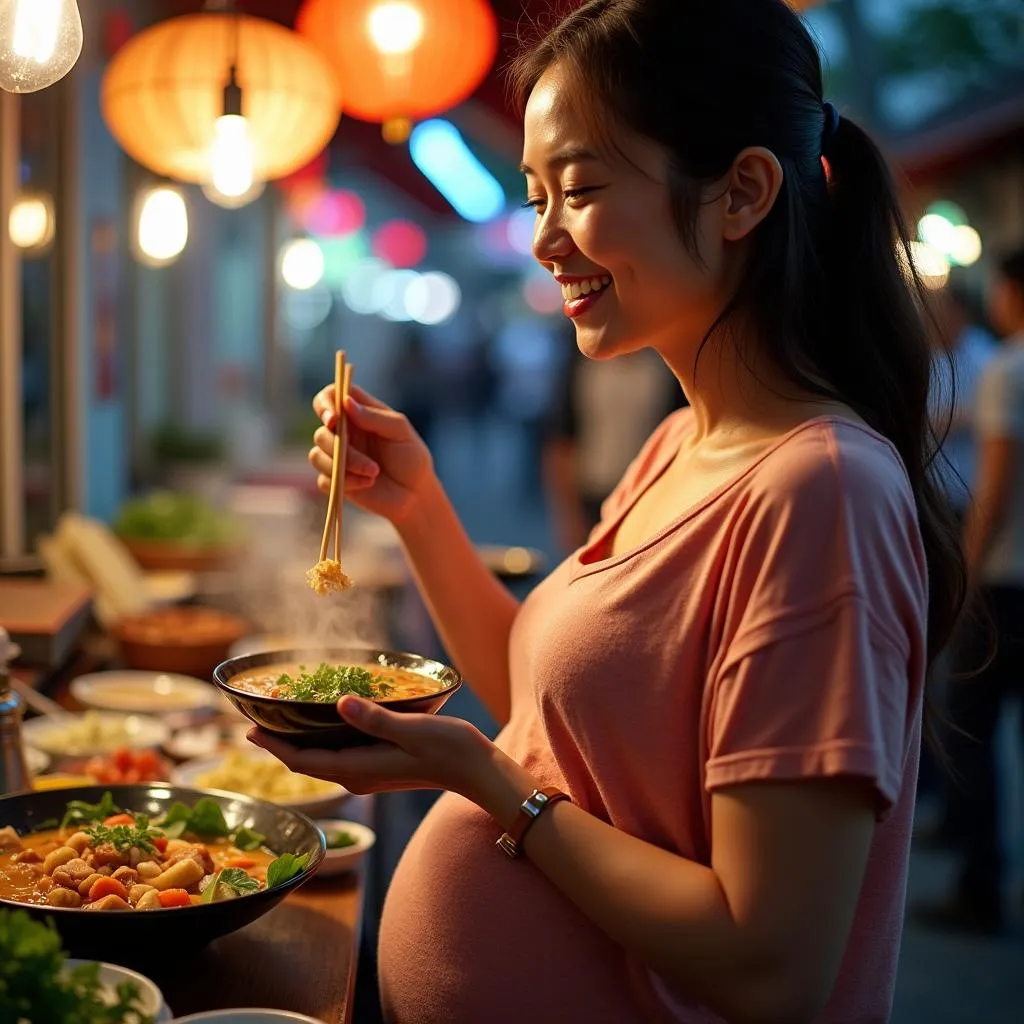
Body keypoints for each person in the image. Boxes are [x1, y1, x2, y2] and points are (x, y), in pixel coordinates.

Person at [251, 1, 964, 1020]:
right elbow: (555, 719)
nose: (544, 239)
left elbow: (770, 963)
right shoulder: (680, 442)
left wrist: (489, 785)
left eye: (578, 190)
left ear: (742, 192)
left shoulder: (821, 492)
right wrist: (417, 509)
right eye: (537, 194)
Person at [916, 246, 1024, 935]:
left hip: (1004, 574)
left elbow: (997, 483)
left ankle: (980, 883)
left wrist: (968, 576)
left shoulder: (1007, 369)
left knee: (973, 722)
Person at [543, 341, 685, 553]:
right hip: (592, 490)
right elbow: (561, 441)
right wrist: (568, 515)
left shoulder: (665, 366)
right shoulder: (583, 364)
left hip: (648, 493)